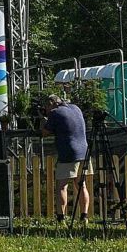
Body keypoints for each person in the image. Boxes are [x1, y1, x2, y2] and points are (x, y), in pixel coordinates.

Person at [43, 93, 90, 224]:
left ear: (51, 103)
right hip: (84, 151)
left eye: (46, 106)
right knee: (81, 185)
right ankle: (84, 216)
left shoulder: (55, 113)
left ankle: (61, 218)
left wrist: (44, 119)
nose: (46, 109)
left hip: (68, 153)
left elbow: (44, 132)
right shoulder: (76, 108)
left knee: (62, 186)